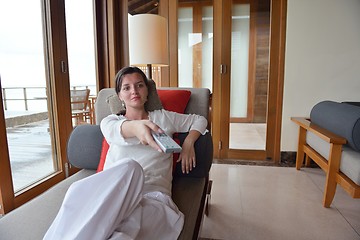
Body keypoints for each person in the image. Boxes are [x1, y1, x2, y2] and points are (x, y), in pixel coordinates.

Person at [43, 66, 208, 240]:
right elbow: (118, 129)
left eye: (139, 85)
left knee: (124, 232)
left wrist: (189, 142)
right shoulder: (111, 121)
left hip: (151, 196)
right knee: (127, 169)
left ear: (147, 91)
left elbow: (200, 120)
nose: (134, 91)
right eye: (126, 88)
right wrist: (137, 127)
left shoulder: (164, 118)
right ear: (120, 95)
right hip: (113, 194)